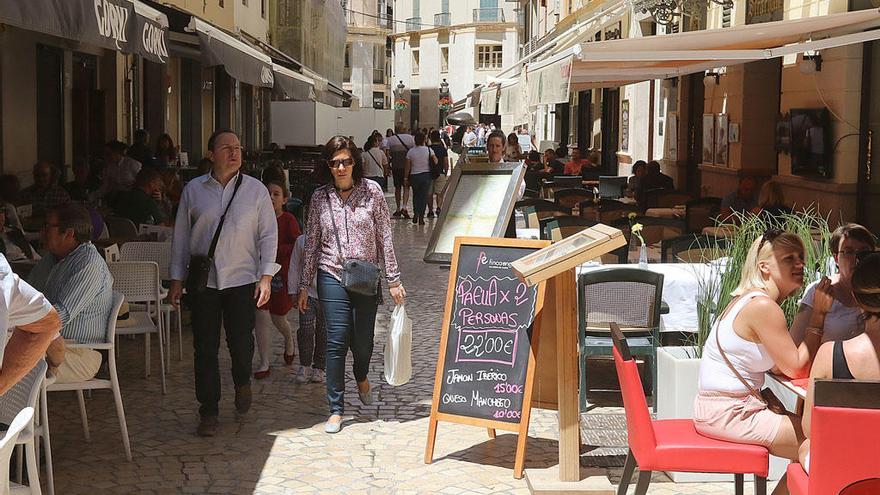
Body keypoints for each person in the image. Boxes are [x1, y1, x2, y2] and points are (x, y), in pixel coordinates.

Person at [168, 129, 280, 437]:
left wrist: (266, 276)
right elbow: (181, 237)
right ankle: (209, 411)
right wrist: (176, 280)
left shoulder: (256, 191)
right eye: (226, 147)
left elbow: (269, 234)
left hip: (243, 280)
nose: (234, 152)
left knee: (241, 345)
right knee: (205, 348)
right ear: (210, 154)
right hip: (204, 283)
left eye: (238, 147)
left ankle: (242, 381)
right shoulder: (194, 190)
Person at [297, 136, 406, 433]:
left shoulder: (372, 192)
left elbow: (385, 238)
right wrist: (304, 285)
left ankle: (361, 374)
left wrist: (394, 279)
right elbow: (311, 246)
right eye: (335, 162)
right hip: (331, 273)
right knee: (336, 340)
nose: (341, 167)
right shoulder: (320, 198)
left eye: (345, 161)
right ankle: (335, 408)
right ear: (328, 166)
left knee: (363, 343)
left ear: (355, 162)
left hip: (365, 277)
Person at [694, 230, 823, 468]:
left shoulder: (749, 299)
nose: (800, 264)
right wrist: (819, 315)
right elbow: (796, 369)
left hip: (720, 409)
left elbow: (781, 365)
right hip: (731, 414)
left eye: (801, 257)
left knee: (813, 445)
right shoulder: (763, 306)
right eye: (789, 259)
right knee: (826, 443)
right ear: (765, 267)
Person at [799, 252, 880, 472]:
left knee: (806, 446)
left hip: (848, 468)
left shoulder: (830, 355)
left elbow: (809, 428)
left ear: (857, 298)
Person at [41, 204, 112, 384]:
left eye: (49, 226)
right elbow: (28, 294)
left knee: (10, 359)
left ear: (69, 233)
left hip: (80, 353)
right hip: (52, 346)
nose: (42, 231)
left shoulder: (88, 265)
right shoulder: (53, 257)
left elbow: (58, 316)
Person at [791, 224, 876, 345]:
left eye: (864, 252)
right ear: (836, 259)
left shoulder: (876, 291)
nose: (856, 258)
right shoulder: (820, 290)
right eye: (848, 252)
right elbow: (795, 341)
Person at [253, 180, 300, 379]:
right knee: (261, 315)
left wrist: (277, 252)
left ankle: (289, 339)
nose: (271, 197)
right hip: (259, 274)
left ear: (284, 199)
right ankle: (264, 361)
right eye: (268, 193)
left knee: (278, 317)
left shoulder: (288, 220)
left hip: (280, 275)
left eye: (276, 194)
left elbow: (297, 244)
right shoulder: (256, 219)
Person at [0, 254, 62, 395]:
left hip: (82, 350)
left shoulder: (84, 266)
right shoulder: (46, 261)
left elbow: (53, 323)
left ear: (69, 234)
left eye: (49, 230)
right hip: (48, 344)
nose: (44, 234)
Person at [288, 234, 326, 384]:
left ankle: (320, 367)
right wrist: (292, 290)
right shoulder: (302, 241)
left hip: (327, 295)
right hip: (306, 294)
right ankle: (304, 365)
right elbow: (294, 265)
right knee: (305, 330)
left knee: (324, 332)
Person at [404, 132, 436, 226]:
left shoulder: (411, 152)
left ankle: (415, 213)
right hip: (426, 175)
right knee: (424, 196)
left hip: (414, 176)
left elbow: (407, 166)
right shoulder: (429, 150)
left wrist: (406, 178)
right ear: (424, 140)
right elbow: (436, 161)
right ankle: (421, 216)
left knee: (416, 195)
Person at [386, 124, 415, 219]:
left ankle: (398, 208)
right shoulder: (410, 138)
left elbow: (387, 154)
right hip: (407, 167)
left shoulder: (390, 140)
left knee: (397, 188)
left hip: (396, 166)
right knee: (406, 187)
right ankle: (404, 207)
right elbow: (413, 151)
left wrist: (388, 167)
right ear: (404, 129)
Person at [428, 129, 449, 218]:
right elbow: (446, 162)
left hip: (429, 173)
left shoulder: (428, 149)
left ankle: (430, 211)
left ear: (431, 138)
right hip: (440, 172)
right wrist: (445, 171)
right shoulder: (443, 149)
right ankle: (439, 207)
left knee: (429, 194)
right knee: (440, 193)